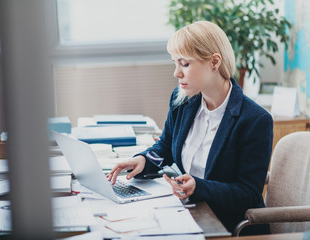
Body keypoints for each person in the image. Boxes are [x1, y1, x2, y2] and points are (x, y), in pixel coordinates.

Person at [107, 21, 273, 235]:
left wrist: (199, 187)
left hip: (227, 226)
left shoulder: (255, 120)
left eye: (184, 64)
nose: (177, 73)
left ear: (214, 62)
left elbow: (248, 194)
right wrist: (143, 160)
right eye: (175, 63)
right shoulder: (182, 100)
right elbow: (165, 147)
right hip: (188, 213)